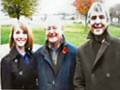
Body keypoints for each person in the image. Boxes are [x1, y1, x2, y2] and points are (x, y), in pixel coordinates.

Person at [74, 2, 120, 90]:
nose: (97, 21)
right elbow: (78, 83)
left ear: (107, 20)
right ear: (88, 22)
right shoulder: (82, 50)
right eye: (93, 18)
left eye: (101, 17)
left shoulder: (118, 45)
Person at [34, 15, 76, 90]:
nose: (51, 31)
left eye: (54, 28)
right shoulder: (37, 55)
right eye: (48, 28)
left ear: (62, 29)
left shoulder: (74, 53)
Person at [1, 22, 37, 89]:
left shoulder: (34, 56)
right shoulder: (6, 61)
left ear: (28, 35)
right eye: (17, 33)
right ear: (12, 36)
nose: (21, 36)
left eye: (24, 33)